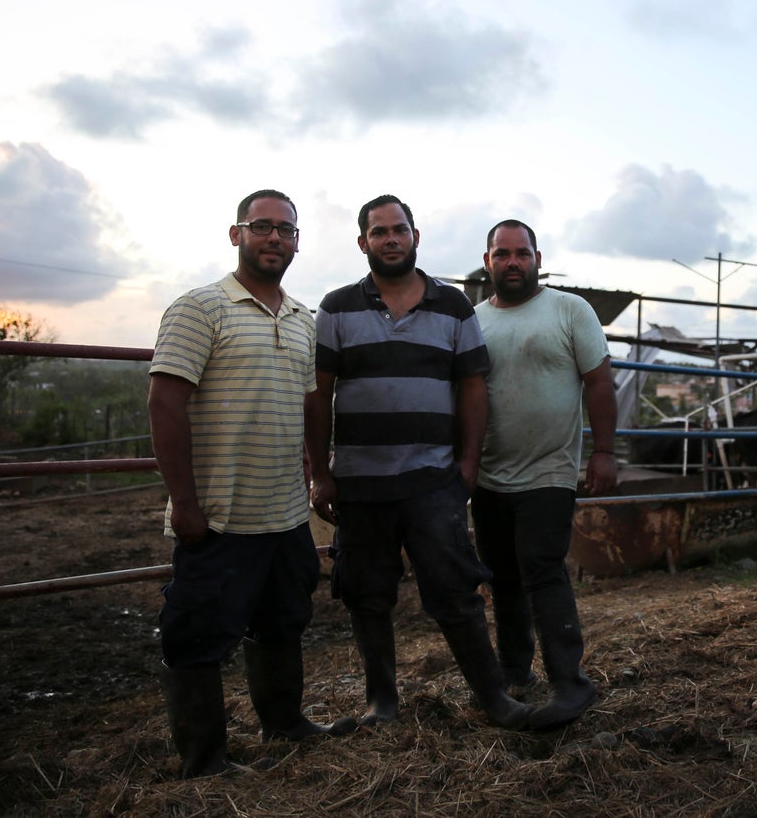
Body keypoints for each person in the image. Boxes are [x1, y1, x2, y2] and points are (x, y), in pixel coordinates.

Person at [149, 189, 355, 779]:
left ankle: (284, 723)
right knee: (197, 634)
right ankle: (205, 761)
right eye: (262, 227)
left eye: (286, 230)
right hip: (219, 513)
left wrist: (319, 475)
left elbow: (315, 405)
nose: (275, 238)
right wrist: (185, 502)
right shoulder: (200, 308)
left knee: (284, 620)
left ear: (297, 242)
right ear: (236, 234)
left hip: (285, 512)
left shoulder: (302, 319)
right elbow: (165, 403)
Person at [305, 194, 532, 730]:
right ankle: (382, 703)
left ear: (415, 236)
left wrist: (468, 465)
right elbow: (318, 395)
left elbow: (473, 387)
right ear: (363, 243)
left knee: (454, 588)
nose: (390, 239)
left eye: (399, 229)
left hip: (433, 480)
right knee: (366, 593)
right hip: (360, 484)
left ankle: (495, 699)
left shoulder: (452, 306)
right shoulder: (336, 309)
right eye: (378, 232)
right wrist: (319, 471)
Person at [472, 219, 618, 729]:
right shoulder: (473, 322)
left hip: (550, 470)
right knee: (501, 575)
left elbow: (599, 382)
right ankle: (515, 674)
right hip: (488, 476)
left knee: (540, 566)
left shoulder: (569, 310)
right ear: (488, 261)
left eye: (522, 253)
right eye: (502, 254)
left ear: (538, 258)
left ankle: (569, 683)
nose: (513, 262)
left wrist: (603, 452)